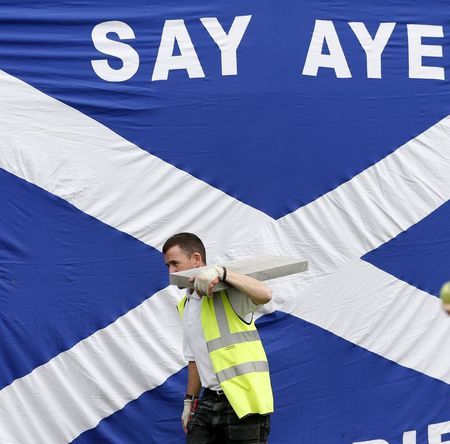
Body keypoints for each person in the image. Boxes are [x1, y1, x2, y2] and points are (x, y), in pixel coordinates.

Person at [162, 232, 274, 443]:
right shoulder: (184, 306)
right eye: (168, 265)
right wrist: (190, 403)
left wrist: (222, 273)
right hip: (209, 399)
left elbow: (265, 294)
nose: (171, 271)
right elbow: (194, 359)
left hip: (244, 401)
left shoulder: (228, 293)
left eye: (175, 263)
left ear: (196, 259)